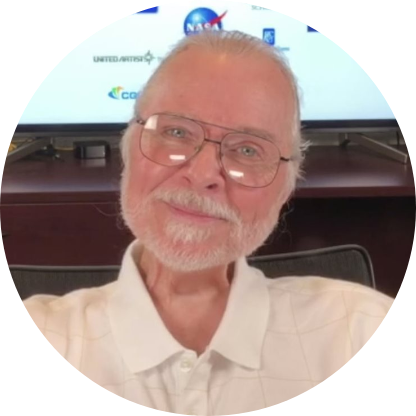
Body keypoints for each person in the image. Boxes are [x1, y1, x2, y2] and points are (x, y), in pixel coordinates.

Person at [24, 30, 392, 416]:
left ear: (286, 189)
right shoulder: (36, 340)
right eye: (176, 132)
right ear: (128, 147)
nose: (202, 175)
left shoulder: (361, 329)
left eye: (248, 150)